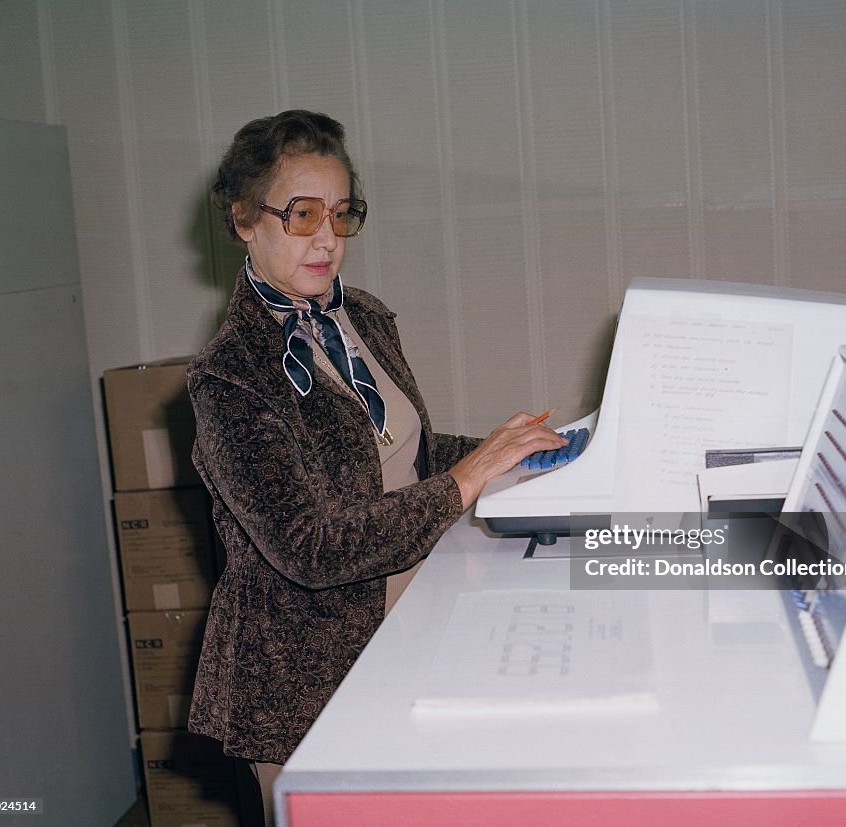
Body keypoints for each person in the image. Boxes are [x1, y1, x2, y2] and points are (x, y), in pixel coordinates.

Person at [186, 110, 566, 825]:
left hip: (412, 619)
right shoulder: (227, 375)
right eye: (301, 215)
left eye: (341, 213)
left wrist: (513, 453)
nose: (327, 237)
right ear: (244, 218)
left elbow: (401, 457)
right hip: (304, 672)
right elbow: (310, 545)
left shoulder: (362, 316)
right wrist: (466, 480)